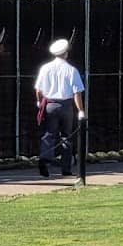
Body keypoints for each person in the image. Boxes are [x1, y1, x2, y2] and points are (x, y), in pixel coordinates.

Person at [34, 38, 86, 176]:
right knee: (66, 136)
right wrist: (80, 110)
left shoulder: (45, 68)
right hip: (66, 105)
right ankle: (66, 168)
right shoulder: (71, 70)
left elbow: (38, 90)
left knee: (49, 134)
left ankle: (45, 160)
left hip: (50, 104)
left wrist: (39, 102)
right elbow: (77, 93)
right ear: (66, 53)